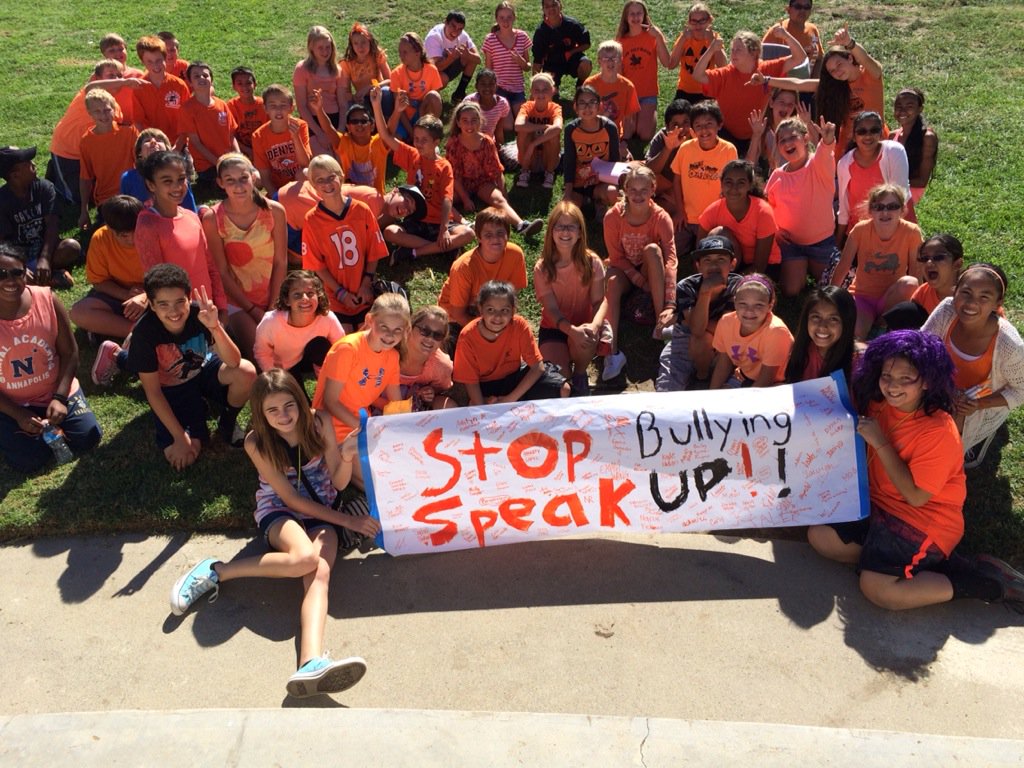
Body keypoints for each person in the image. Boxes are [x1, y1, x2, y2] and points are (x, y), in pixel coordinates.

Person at [169, 369, 379, 698]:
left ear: (300, 401)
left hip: (323, 509)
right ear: (261, 414)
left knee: (319, 570)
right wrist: (348, 521)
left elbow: (338, 484)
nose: (283, 416)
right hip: (281, 510)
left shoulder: (319, 422)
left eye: (289, 406)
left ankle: (310, 663)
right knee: (305, 559)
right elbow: (292, 499)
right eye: (272, 410)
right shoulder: (257, 442)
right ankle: (217, 571)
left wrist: (348, 455)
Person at [807, 330, 1024, 612]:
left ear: (926, 382)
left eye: (906, 379)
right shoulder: (878, 403)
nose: (893, 386)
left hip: (922, 521)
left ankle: (983, 582)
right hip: (878, 508)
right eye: (886, 376)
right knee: (819, 537)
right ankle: (902, 564)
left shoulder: (938, 430)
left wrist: (880, 443)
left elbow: (916, 496)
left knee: (877, 589)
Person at [99, 264, 256, 468]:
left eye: (180, 301)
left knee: (246, 371)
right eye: (163, 304)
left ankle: (227, 422)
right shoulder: (145, 333)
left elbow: (234, 362)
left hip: (201, 367)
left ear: (189, 299)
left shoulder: (199, 314)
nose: (173, 311)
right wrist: (180, 437)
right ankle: (117, 354)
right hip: (171, 386)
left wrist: (215, 327)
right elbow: (153, 392)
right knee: (185, 455)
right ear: (152, 306)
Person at [0, 242, 101, 473]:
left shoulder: (46, 299)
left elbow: (70, 352)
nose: (9, 280)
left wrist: (60, 397)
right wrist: (18, 414)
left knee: (88, 437)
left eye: (16, 272)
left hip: (56, 390)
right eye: (0, 274)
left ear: (26, 272)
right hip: (11, 402)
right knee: (29, 459)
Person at [923, 264, 1024, 468]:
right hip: (941, 385)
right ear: (955, 291)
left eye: (984, 297)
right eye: (966, 293)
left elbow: (1021, 390)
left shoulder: (1009, 345)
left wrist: (978, 404)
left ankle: (970, 442)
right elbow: (922, 347)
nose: (971, 303)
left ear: (998, 303)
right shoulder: (946, 310)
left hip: (978, 400)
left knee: (945, 455)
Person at [312, 293, 410, 487]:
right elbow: (330, 401)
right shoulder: (348, 349)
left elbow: (396, 403)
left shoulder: (392, 356)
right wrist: (365, 429)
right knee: (377, 483)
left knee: (401, 470)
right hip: (333, 428)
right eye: (384, 327)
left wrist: (404, 430)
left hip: (364, 425)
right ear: (369, 320)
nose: (390, 335)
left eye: (397, 330)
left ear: (406, 330)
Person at [369, 86, 475, 260]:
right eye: (416, 139)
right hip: (415, 220)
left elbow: (447, 199)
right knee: (390, 232)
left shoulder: (444, 166)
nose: (418, 143)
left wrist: (443, 229)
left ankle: (415, 252)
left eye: (424, 140)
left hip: (438, 221)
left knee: (468, 233)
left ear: (436, 142)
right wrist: (376, 105)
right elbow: (386, 137)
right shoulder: (412, 155)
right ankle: (441, 248)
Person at [202, 153, 287, 360]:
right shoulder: (213, 218)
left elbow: (281, 261)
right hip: (237, 301)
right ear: (221, 183)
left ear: (254, 177)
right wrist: (252, 310)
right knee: (261, 352)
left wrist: (272, 306)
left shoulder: (274, 210)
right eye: (230, 180)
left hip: (272, 295)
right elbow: (221, 271)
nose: (238, 186)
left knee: (285, 350)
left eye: (243, 178)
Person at [601, 166, 676, 380]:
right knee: (612, 281)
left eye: (644, 189)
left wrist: (671, 303)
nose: (638, 195)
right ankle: (611, 350)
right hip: (625, 272)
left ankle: (661, 322)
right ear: (624, 189)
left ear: (653, 189)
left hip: (648, 268)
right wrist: (640, 282)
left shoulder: (661, 217)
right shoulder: (613, 217)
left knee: (653, 250)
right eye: (632, 189)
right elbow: (616, 257)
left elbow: (671, 259)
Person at [132, 151, 228, 315]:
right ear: (151, 185)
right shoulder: (148, 224)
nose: (177, 186)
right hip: (179, 317)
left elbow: (210, 265)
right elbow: (158, 284)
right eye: (167, 181)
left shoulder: (191, 216)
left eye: (181, 179)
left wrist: (221, 307)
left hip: (209, 310)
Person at [300, 155, 388, 331]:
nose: (327, 184)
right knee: (344, 340)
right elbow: (317, 265)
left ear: (340, 176)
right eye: (320, 180)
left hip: (364, 291)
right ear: (314, 186)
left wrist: (366, 283)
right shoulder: (311, 219)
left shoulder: (361, 210)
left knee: (370, 337)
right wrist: (340, 293)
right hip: (335, 297)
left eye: (331, 177)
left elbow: (374, 250)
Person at [691, 26, 806, 155]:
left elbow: (799, 57)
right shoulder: (725, 74)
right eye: (732, 50)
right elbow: (698, 75)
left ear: (754, 53)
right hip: (727, 133)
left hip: (757, 132)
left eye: (738, 50)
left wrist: (786, 36)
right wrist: (711, 49)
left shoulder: (766, 70)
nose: (733, 53)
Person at [829, 183, 922, 341]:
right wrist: (830, 298)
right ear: (870, 211)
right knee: (856, 336)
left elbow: (916, 272)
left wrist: (916, 308)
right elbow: (843, 266)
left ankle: (881, 324)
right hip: (862, 296)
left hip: (892, 297)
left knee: (910, 283)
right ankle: (875, 328)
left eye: (892, 206)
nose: (885, 212)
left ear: (902, 210)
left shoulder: (912, 232)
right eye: (879, 207)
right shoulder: (860, 230)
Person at [533, 201, 608, 396]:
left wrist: (595, 326)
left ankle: (581, 373)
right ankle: (570, 373)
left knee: (587, 338)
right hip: (554, 328)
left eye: (571, 226)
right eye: (560, 226)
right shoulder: (542, 268)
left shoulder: (593, 262)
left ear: (580, 232)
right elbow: (551, 309)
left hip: (583, 325)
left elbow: (600, 301)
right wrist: (571, 331)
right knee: (560, 383)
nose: (565, 232)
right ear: (551, 231)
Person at [454, 280, 569, 404]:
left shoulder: (519, 325)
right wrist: (482, 405)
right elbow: (471, 382)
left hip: (515, 379)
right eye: (491, 310)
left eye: (504, 310)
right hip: (485, 386)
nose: (497, 317)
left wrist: (510, 399)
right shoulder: (467, 336)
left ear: (513, 311)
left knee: (564, 389)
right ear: (481, 309)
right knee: (476, 404)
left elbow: (537, 367)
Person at [656, 234, 741, 392]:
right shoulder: (686, 286)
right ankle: (700, 376)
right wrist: (705, 293)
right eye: (707, 260)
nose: (714, 266)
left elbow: (727, 329)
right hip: (686, 338)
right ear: (698, 266)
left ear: (732, 264)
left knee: (736, 388)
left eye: (721, 259)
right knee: (666, 389)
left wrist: (685, 319)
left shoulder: (739, 287)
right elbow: (696, 330)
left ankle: (707, 380)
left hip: (727, 343)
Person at [764, 116, 837, 296]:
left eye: (792, 137)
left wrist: (827, 140)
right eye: (782, 140)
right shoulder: (777, 175)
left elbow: (825, 152)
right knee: (791, 290)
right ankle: (801, 268)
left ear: (805, 139)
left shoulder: (818, 165)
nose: (788, 143)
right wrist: (776, 230)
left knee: (831, 289)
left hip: (821, 242)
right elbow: (767, 207)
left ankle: (811, 266)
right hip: (791, 243)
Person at [446, 101, 542, 236]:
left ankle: (521, 225)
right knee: (443, 199)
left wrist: (504, 195)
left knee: (499, 200)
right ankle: (464, 223)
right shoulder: (453, 144)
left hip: (482, 182)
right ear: (458, 123)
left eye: (474, 120)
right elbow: (454, 175)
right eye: (465, 120)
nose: (469, 125)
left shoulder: (486, 142)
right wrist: (465, 198)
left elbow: (497, 171)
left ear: (480, 121)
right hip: (460, 183)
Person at [438, 206, 528, 334]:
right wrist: (488, 331)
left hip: (491, 309)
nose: (495, 239)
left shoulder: (515, 254)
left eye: (500, 233)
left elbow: (511, 297)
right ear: (479, 237)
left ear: (508, 234)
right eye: (488, 235)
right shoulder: (463, 267)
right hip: (456, 317)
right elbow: (458, 314)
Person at [0, 146, 80, 289]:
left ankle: (38, 277)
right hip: (17, 254)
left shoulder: (44, 188)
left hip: (45, 248)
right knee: (10, 270)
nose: (34, 165)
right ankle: (46, 278)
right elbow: (4, 244)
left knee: (71, 247)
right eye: (28, 164)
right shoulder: (3, 200)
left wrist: (45, 258)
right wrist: (20, 266)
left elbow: (52, 225)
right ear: (15, 175)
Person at [69, 195, 146, 340]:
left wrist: (146, 296)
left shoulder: (154, 233)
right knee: (78, 312)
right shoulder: (100, 238)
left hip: (156, 294)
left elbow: (170, 275)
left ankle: (109, 330)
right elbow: (99, 282)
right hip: (118, 295)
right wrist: (126, 295)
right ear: (110, 228)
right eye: (124, 236)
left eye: (137, 232)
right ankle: (136, 333)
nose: (132, 240)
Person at [670, 99, 737, 255]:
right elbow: (677, 180)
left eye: (709, 124)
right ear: (693, 128)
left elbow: (731, 186)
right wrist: (680, 211)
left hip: (714, 220)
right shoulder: (686, 148)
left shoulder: (728, 150)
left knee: (711, 253)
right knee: (672, 251)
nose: (704, 130)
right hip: (687, 218)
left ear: (719, 125)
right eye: (698, 126)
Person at [836, 111, 910, 246]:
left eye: (874, 130)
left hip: (892, 230)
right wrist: (838, 244)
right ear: (854, 136)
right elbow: (844, 209)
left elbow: (901, 199)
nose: (868, 136)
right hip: (858, 233)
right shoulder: (844, 164)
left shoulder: (894, 152)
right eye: (862, 131)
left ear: (881, 133)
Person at [253, 270, 344, 380]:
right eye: (297, 294)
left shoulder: (327, 317)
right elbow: (262, 353)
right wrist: (275, 377)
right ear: (287, 300)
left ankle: (323, 381)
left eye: (310, 293)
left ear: (318, 296)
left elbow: (341, 348)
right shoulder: (272, 321)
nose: (304, 298)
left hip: (313, 360)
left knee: (320, 345)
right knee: (296, 397)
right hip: (285, 366)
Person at [697, 159, 781, 276]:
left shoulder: (763, 211)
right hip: (734, 263)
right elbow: (700, 252)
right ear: (721, 184)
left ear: (750, 185)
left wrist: (731, 282)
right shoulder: (713, 210)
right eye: (728, 182)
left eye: (741, 182)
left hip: (765, 265)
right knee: (718, 232)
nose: (734, 188)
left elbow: (760, 266)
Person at [710, 273, 793, 388]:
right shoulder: (726, 322)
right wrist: (712, 395)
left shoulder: (776, 332)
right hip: (744, 376)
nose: (749, 311)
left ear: (770, 305)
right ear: (735, 302)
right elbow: (724, 362)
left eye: (758, 305)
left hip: (775, 383)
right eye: (743, 304)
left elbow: (766, 380)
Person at [78, 89, 138, 231]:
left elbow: (142, 164)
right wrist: (84, 210)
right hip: (107, 198)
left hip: (132, 193)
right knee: (116, 229)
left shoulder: (129, 132)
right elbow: (86, 178)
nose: (103, 115)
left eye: (107, 110)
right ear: (89, 113)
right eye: (97, 111)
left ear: (114, 109)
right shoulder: (86, 141)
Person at [615, 1, 670, 146]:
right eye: (631, 14)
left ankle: (649, 113)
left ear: (645, 15)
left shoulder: (652, 36)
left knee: (644, 134)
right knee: (627, 133)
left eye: (639, 13)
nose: (635, 17)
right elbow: (618, 73)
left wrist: (658, 36)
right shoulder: (621, 41)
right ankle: (636, 115)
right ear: (626, 17)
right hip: (630, 94)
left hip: (648, 93)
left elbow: (667, 63)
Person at [309, 95, 390, 195]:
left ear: (372, 126)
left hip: (375, 197)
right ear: (348, 127)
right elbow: (328, 129)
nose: (359, 124)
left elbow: (388, 132)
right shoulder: (344, 143)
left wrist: (395, 110)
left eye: (363, 121)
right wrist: (319, 109)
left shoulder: (378, 143)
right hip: (351, 198)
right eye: (354, 121)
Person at [883, 233, 963, 330]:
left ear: (957, 264)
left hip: (960, 342)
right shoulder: (923, 293)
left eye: (939, 257)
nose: (929, 262)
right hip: (931, 340)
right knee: (905, 311)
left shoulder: (968, 296)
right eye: (924, 258)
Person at [561, 85, 620, 211]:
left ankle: (600, 201)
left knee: (612, 192)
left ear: (599, 106)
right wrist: (568, 192)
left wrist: (609, 183)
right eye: (582, 103)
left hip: (602, 180)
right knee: (568, 210)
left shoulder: (609, 128)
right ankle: (587, 201)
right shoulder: (571, 129)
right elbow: (569, 161)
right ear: (575, 107)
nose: (587, 107)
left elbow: (615, 161)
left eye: (592, 102)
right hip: (579, 181)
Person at [180, 62, 240, 186]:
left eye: (205, 75)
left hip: (227, 160)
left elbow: (231, 136)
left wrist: (239, 157)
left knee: (253, 178)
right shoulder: (187, 109)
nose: (202, 78)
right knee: (230, 183)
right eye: (196, 76)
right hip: (207, 166)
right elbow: (196, 143)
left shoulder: (221, 105)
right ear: (190, 82)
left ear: (211, 80)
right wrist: (219, 163)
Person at [784, 285, 857, 384]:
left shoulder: (858, 363)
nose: (822, 326)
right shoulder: (801, 350)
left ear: (847, 323)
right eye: (816, 317)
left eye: (833, 319)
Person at [251, 84, 313, 197]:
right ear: (265, 108)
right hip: (277, 186)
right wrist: (276, 198)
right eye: (273, 106)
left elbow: (305, 163)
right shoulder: (258, 136)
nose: (278, 110)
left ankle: (303, 199)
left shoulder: (300, 125)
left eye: (283, 105)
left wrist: (296, 137)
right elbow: (264, 175)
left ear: (291, 108)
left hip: (299, 183)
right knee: (255, 178)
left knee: (303, 173)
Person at [119, 128, 198, 213]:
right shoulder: (128, 178)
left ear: (167, 151)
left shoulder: (178, 174)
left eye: (159, 140)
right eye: (147, 141)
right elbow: (126, 214)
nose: (153, 142)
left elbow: (190, 211)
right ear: (139, 153)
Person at [132, 36, 191, 146]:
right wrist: (150, 143)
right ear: (142, 62)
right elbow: (138, 121)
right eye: (149, 61)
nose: (155, 65)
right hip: (153, 144)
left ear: (165, 57)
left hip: (177, 143)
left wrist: (178, 146)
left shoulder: (179, 85)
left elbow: (188, 120)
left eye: (159, 60)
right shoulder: (139, 87)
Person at [293, 26, 343, 156]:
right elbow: (302, 106)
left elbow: (343, 105)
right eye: (320, 48)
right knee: (324, 159)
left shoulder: (337, 70)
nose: (325, 51)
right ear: (311, 48)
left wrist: (340, 131)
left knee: (340, 158)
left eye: (328, 47)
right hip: (313, 121)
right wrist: (320, 134)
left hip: (334, 119)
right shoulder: (302, 69)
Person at [383, 33, 443, 141]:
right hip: (404, 116)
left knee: (434, 96)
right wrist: (411, 132)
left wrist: (421, 112)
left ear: (417, 53)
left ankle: (432, 132)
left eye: (405, 52)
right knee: (393, 144)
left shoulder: (432, 70)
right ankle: (413, 137)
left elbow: (435, 102)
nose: (401, 56)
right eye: (400, 52)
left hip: (423, 113)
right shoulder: (396, 73)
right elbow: (399, 109)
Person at [583, 40, 641, 151]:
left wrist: (624, 141)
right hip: (592, 132)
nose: (610, 62)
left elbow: (629, 119)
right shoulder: (589, 84)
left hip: (615, 135)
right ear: (599, 62)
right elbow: (584, 115)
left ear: (620, 61)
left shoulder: (628, 86)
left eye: (614, 58)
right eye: (606, 59)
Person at [399, 305, 456, 410]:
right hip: (377, 402)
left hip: (414, 406)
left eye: (437, 335)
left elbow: (438, 391)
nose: (430, 338)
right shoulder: (391, 349)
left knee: (448, 406)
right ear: (409, 328)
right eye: (425, 331)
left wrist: (429, 392)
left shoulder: (441, 365)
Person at [668, 3, 726, 105]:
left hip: (707, 90)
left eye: (702, 21)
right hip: (685, 90)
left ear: (709, 20)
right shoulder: (684, 38)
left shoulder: (714, 38)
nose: (698, 25)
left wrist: (712, 41)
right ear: (688, 23)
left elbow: (723, 65)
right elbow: (671, 64)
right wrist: (682, 39)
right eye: (694, 21)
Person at [482, 2, 531, 119]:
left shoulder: (522, 37)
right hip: (499, 87)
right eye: (502, 18)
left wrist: (521, 62)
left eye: (509, 17)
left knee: (522, 119)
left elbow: (528, 67)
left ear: (514, 17)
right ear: (497, 19)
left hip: (517, 88)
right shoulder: (490, 39)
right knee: (508, 126)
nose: (505, 21)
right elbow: (488, 69)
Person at [644, 98, 692, 218]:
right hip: (662, 182)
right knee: (637, 173)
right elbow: (649, 170)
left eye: (686, 123)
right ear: (667, 126)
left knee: (658, 209)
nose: (681, 129)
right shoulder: (662, 137)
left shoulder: (700, 136)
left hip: (686, 188)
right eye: (675, 125)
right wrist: (668, 148)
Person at [513, 73, 563, 189]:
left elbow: (558, 127)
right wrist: (543, 127)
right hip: (528, 157)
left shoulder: (555, 108)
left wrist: (533, 144)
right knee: (524, 131)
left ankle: (549, 172)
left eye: (545, 89)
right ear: (531, 91)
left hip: (548, 157)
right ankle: (525, 171)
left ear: (553, 90)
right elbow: (518, 126)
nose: (540, 94)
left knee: (553, 134)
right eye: (537, 90)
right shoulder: (527, 106)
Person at [890, 88, 938, 204]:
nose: (903, 111)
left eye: (909, 106)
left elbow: (922, 181)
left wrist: (889, 184)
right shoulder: (892, 136)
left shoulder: (927, 137)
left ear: (920, 109)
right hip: (891, 189)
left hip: (910, 191)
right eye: (899, 106)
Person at [532, 0, 592, 91]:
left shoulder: (572, 24)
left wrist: (571, 52)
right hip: (552, 64)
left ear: (560, 6)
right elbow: (537, 62)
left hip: (571, 58)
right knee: (550, 93)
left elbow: (586, 44)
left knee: (586, 63)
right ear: (543, 10)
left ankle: (580, 86)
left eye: (554, 5)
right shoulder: (541, 32)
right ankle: (555, 88)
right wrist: (534, 87)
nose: (551, 8)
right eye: (547, 6)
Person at [424, 11, 480, 103]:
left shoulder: (462, 35)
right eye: (453, 26)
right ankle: (431, 95)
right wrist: (451, 58)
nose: (456, 32)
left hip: (448, 65)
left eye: (460, 29)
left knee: (471, 58)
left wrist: (468, 55)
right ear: (445, 22)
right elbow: (435, 67)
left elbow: (478, 59)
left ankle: (459, 93)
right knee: (443, 79)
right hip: (429, 72)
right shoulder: (434, 37)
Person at [745, 86, 800, 174]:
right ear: (771, 103)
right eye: (781, 102)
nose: (785, 107)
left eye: (790, 104)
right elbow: (748, 166)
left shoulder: (798, 132)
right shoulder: (762, 130)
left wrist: (808, 125)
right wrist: (756, 136)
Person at [339, 23, 391, 114]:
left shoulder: (376, 55)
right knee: (347, 105)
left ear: (369, 41)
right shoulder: (347, 63)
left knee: (386, 91)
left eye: (363, 42)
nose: (360, 47)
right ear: (352, 45)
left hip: (378, 93)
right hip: (362, 99)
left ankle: (387, 121)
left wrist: (370, 87)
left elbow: (390, 80)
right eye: (356, 43)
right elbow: (346, 93)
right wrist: (354, 97)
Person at [763, 0, 824, 77]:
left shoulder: (813, 29)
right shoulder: (777, 32)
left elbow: (819, 59)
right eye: (798, 7)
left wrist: (815, 82)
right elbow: (761, 60)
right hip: (783, 85)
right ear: (788, 10)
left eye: (806, 7)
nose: (802, 10)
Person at [227, 67, 268, 161]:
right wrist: (248, 151)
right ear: (234, 86)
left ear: (255, 84)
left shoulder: (265, 105)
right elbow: (229, 135)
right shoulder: (230, 106)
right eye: (239, 83)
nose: (245, 87)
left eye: (248, 83)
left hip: (264, 149)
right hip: (241, 150)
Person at [465, 69, 512, 143]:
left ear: (496, 86)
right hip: (469, 141)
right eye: (483, 84)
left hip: (488, 143)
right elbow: (462, 128)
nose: (487, 88)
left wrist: (499, 149)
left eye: (491, 84)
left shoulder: (502, 104)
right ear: (476, 86)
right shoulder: (469, 102)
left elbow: (498, 130)